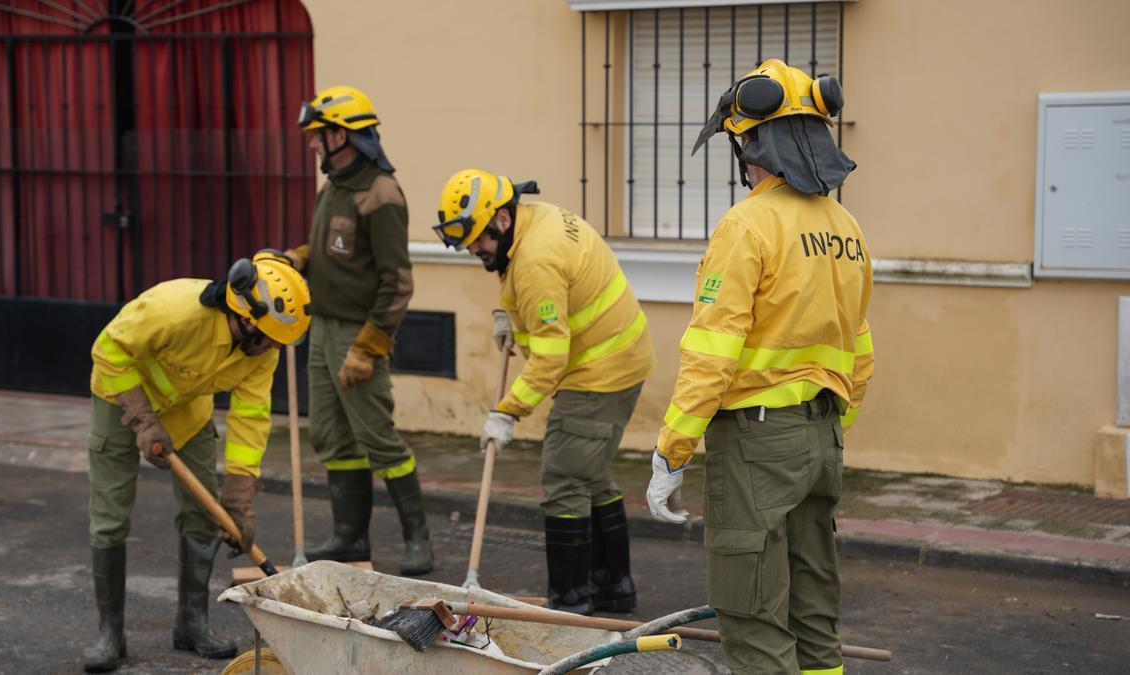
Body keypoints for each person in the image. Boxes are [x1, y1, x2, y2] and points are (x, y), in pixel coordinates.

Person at [646, 58, 875, 675]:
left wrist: (674, 449)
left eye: (741, 141)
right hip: (823, 435)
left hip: (757, 441)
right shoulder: (846, 228)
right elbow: (861, 349)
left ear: (753, 144)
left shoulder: (747, 224)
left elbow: (713, 350)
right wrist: (826, 433)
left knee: (752, 617)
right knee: (813, 610)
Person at [432, 169, 655, 615]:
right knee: (589, 476)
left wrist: (507, 412)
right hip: (621, 357)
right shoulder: (534, 220)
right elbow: (520, 276)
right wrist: (507, 314)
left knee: (564, 480)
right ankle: (613, 586)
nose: (474, 250)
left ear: (501, 220)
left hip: (598, 373)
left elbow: (550, 357)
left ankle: (571, 600)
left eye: (477, 239)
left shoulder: (536, 259)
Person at [83, 251, 311, 672]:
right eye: (270, 337)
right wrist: (142, 419)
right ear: (245, 316)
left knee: (202, 516)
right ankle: (109, 634)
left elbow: (251, 416)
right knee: (110, 516)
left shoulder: (262, 351)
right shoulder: (173, 309)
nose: (273, 348)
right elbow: (108, 350)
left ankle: (191, 624)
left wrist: (240, 501)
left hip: (187, 413)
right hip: (121, 397)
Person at [283, 86, 432, 576]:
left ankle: (419, 540)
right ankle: (350, 537)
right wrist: (296, 260)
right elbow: (325, 246)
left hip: (357, 335)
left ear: (342, 135)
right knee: (329, 434)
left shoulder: (381, 193)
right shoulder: (335, 185)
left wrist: (369, 348)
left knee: (378, 438)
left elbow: (398, 282)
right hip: (322, 328)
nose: (312, 146)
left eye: (318, 136)